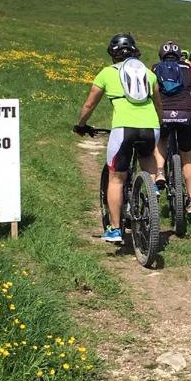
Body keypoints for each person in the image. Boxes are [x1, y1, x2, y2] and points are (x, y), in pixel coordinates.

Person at [74, 33, 163, 243]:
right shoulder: (148, 74)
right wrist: (160, 122)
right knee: (147, 159)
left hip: (124, 129)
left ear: (113, 55)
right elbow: (159, 104)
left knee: (116, 178)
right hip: (151, 127)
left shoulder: (106, 73)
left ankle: (115, 229)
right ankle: (151, 192)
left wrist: (81, 125)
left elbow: (89, 104)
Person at [152, 40, 191, 214]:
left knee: (161, 140)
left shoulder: (155, 69)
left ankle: (161, 171)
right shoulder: (189, 69)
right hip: (186, 115)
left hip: (163, 114)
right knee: (187, 157)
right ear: (179, 55)